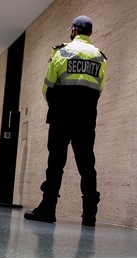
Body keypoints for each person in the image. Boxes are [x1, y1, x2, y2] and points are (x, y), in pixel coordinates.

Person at [24, 15, 107, 226]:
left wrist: (56, 106)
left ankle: (48, 209)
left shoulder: (60, 52)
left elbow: (47, 87)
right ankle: (89, 215)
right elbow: (99, 89)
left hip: (61, 117)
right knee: (87, 166)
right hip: (86, 119)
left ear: (73, 31)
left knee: (55, 164)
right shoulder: (100, 58)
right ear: (90, 33)